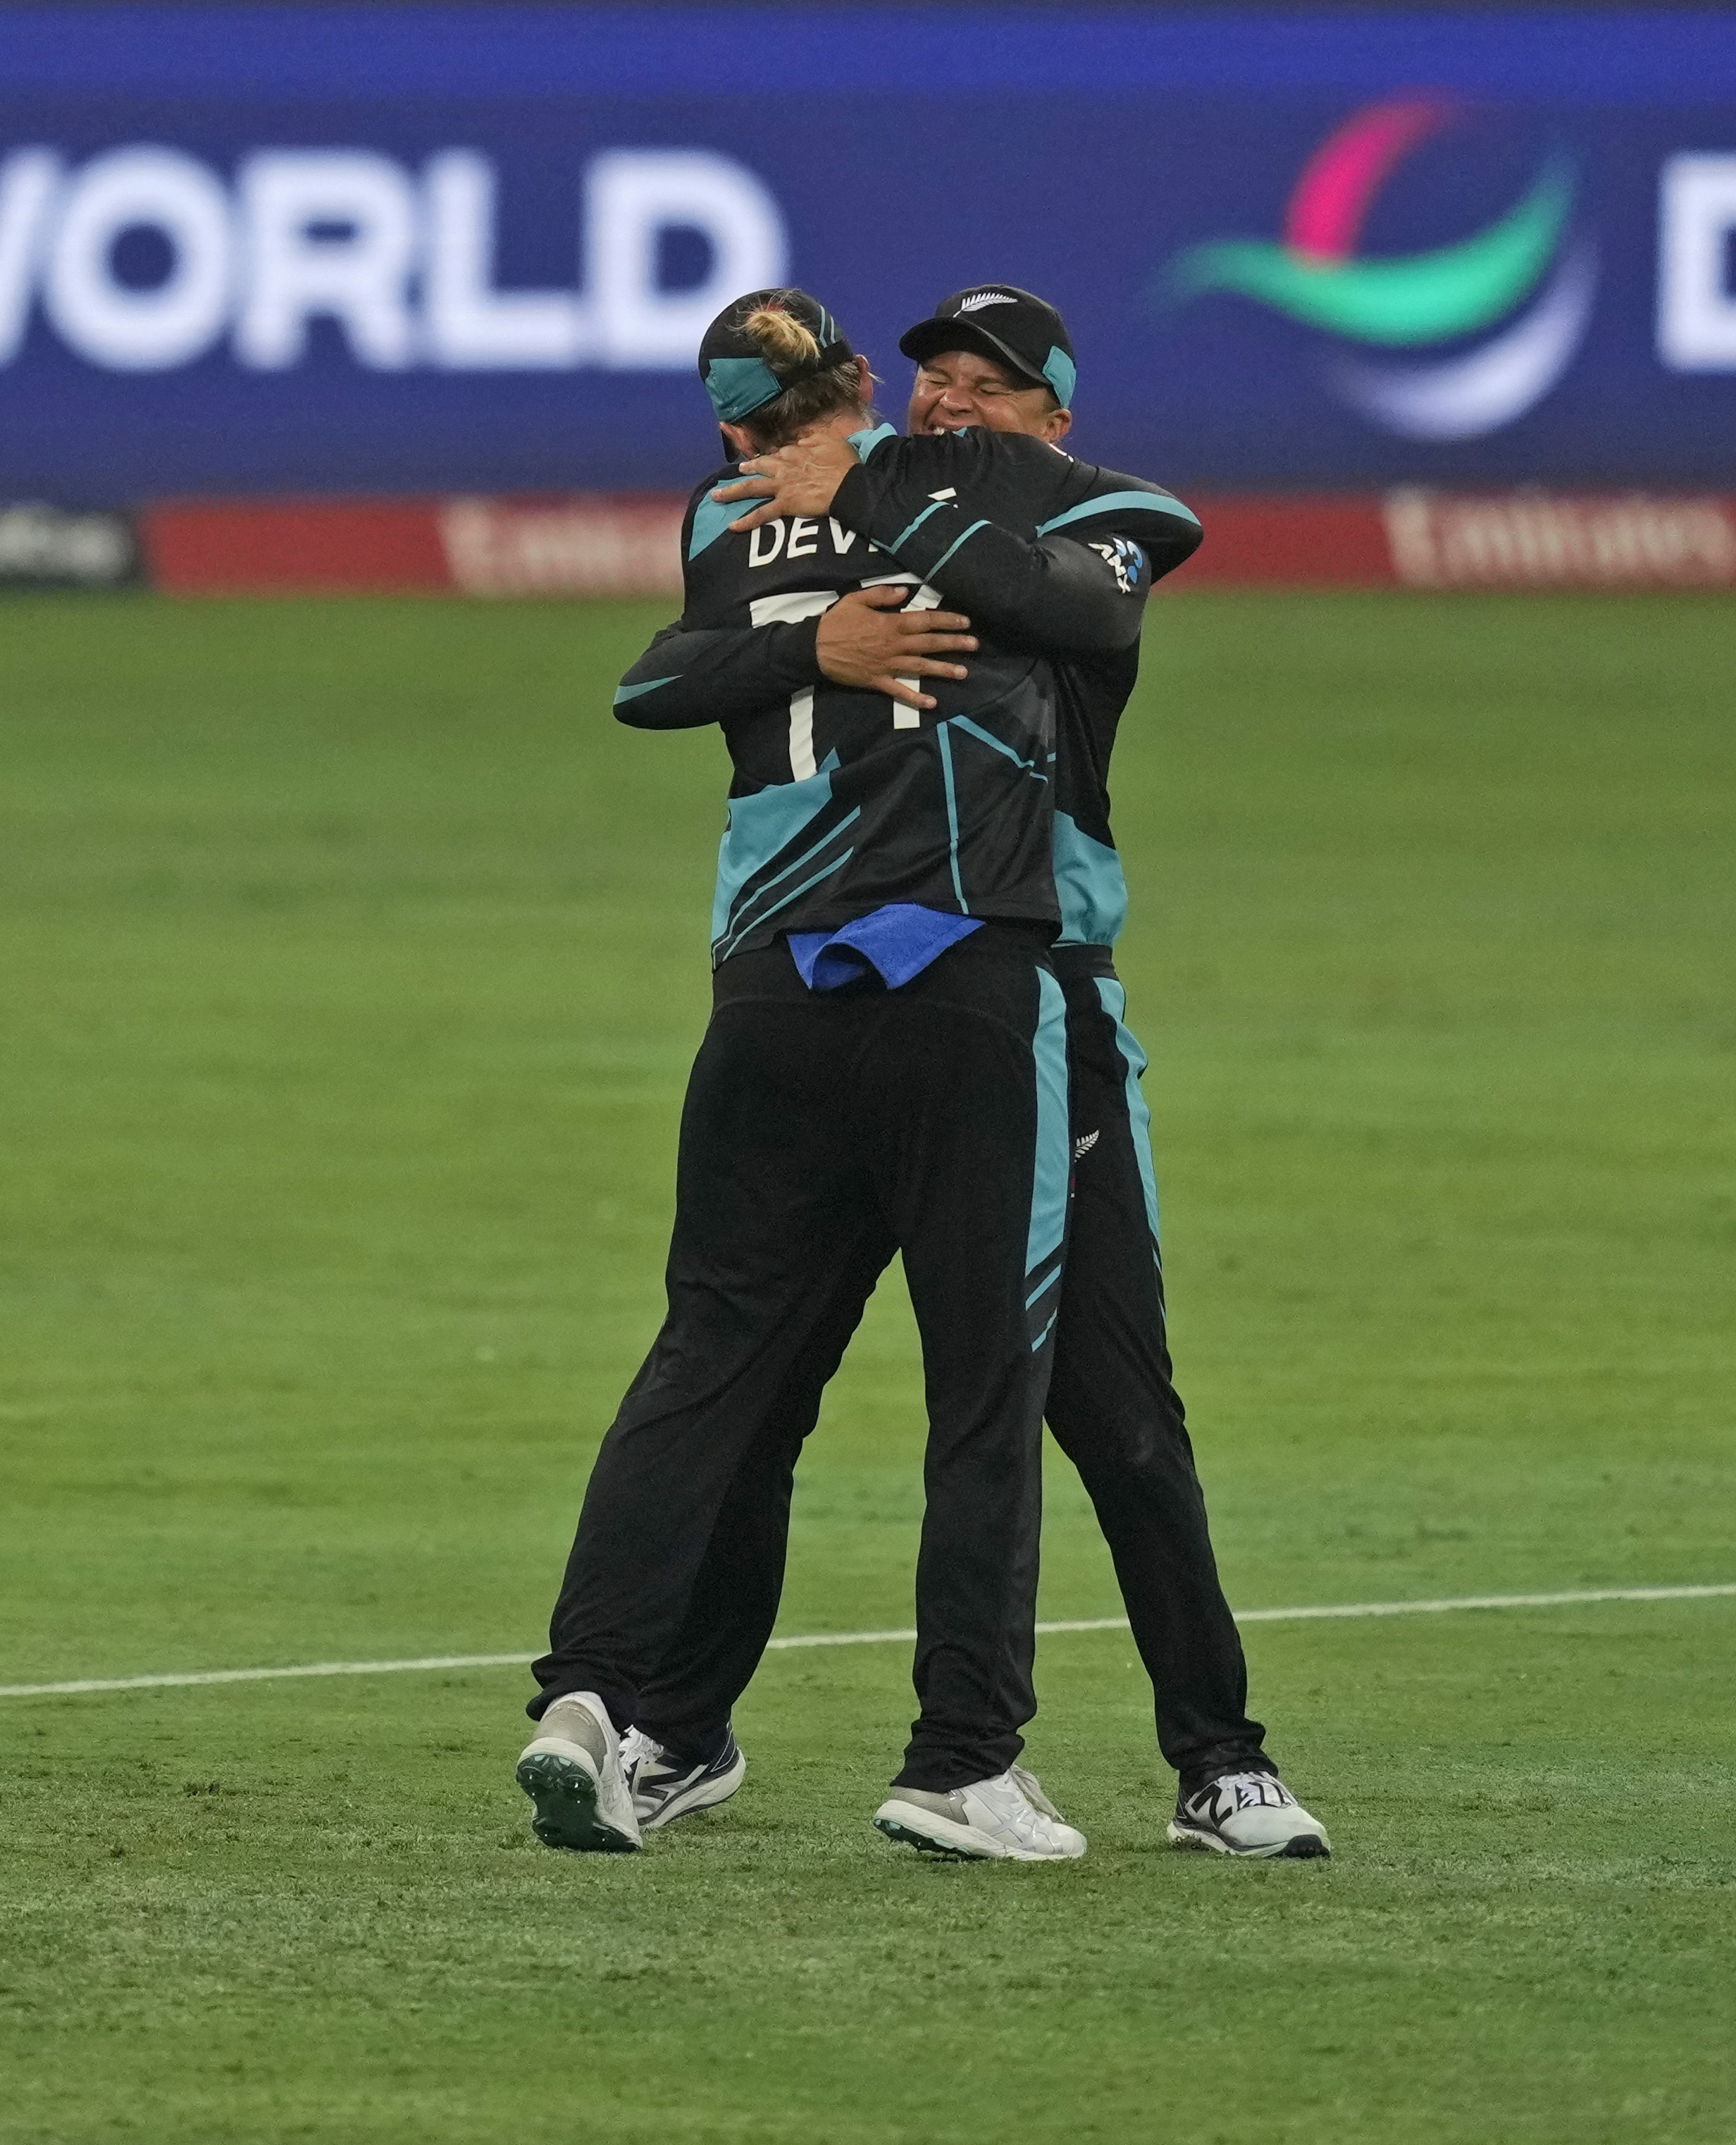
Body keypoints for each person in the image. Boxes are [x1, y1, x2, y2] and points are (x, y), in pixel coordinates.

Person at [621, 285, 1331, 1860]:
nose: (953, 400)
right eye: (934, 375)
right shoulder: (865, 521)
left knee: (1118, 1407)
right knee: (765, 1377)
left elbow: (1074, 607)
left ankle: (1218, 1755)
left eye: (991, 386)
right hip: (875, 1001)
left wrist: (864, 486)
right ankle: (680, 1724)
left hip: (1045, 1012)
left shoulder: (1092, 519)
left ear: (1054, 416)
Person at [518, 290, 1158, 1862]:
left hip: (766, 987)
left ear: (730, 423)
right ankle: (960, 1756)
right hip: (956, 975)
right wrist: (859, 581)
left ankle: (609, 1705)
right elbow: (1100, 586)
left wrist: (798, 626)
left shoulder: (717, 517)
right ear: (870, 386)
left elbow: (652, 684)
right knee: (982, 1380)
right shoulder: (964, 485)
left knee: (721, 1364)